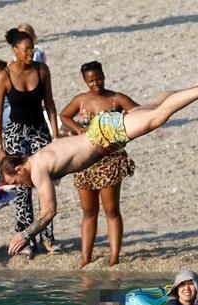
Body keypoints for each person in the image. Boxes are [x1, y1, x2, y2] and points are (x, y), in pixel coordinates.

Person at [0, 78, 198, 256]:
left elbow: (48, 212)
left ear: (20, 169)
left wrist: (25, 234)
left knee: (157, 116)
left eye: (15, 182)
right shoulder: (40, 157)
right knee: (151, 106)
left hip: (104, 135)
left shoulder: (37, 168)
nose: (20, 186)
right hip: (101, 132)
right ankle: (195, 87)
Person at [60, 61, 139, 267]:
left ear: (104, 75)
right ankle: (85, 258)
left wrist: (122, 128)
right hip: (84, 162)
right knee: (88, 212)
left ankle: (114, 257)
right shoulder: (82, 100)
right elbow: (64, 115)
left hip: (109, 161)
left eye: (99, 79)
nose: (96, 84)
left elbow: (139, 113)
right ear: (85, 81)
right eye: (91, 81)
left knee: (111, 210)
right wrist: (78, 129)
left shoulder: (115, 99)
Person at [0, 28, 61, 259]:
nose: (31, 53)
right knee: (22, 187)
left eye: (32, 48)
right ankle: (25, 238)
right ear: (15, 51)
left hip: (39, 130)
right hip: (15, 132)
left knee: (45, 183)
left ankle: (48, 237)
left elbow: (50, 103)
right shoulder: (4, 75)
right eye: (26, 49)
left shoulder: (42, 71)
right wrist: (0, 146)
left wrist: (56, 134)